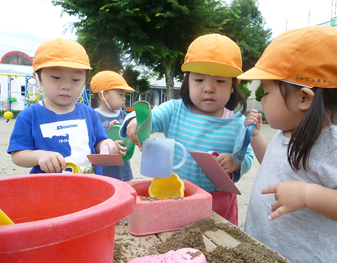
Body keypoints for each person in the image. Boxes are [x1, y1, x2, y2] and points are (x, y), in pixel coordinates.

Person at [238, 26, 337, 262]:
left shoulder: (335, 146)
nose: (261, 99)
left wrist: (308, 194)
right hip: (262, 250)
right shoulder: (285, 133)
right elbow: (275, 164)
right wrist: (257, 137)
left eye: (266, 91)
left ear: (304, 99)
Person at [121, 33, 254, 225]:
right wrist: (135, 122)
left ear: (234, 86)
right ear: (187, 81)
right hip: (176, 194)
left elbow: (247, 155)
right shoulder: (175, 109)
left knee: (218, 247)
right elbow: (150, 116)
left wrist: (235, 162)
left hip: (218, 202)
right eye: (199, 80)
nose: (209, 88)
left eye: (220, 81)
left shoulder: (237, 123)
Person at [7, 38, 119, 175]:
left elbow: (99, 142)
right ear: (37, 78)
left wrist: (106, 145)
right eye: (55, 77)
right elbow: (18, 155)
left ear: (85, 80)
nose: (66, 86)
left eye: (76, 80)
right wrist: (40, 156)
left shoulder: (90, 114)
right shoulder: (29, 116)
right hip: (48, 190)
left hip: (89, 186)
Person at [90, 70, 135, 181]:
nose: (124, 98)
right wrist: (110, 147)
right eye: (120, 94)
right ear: (102, 95)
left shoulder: (126, 116)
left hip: (123, 173)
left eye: (125, 94)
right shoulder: (92, 116)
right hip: (102, 176)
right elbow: (90, 146)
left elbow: (134, 139)